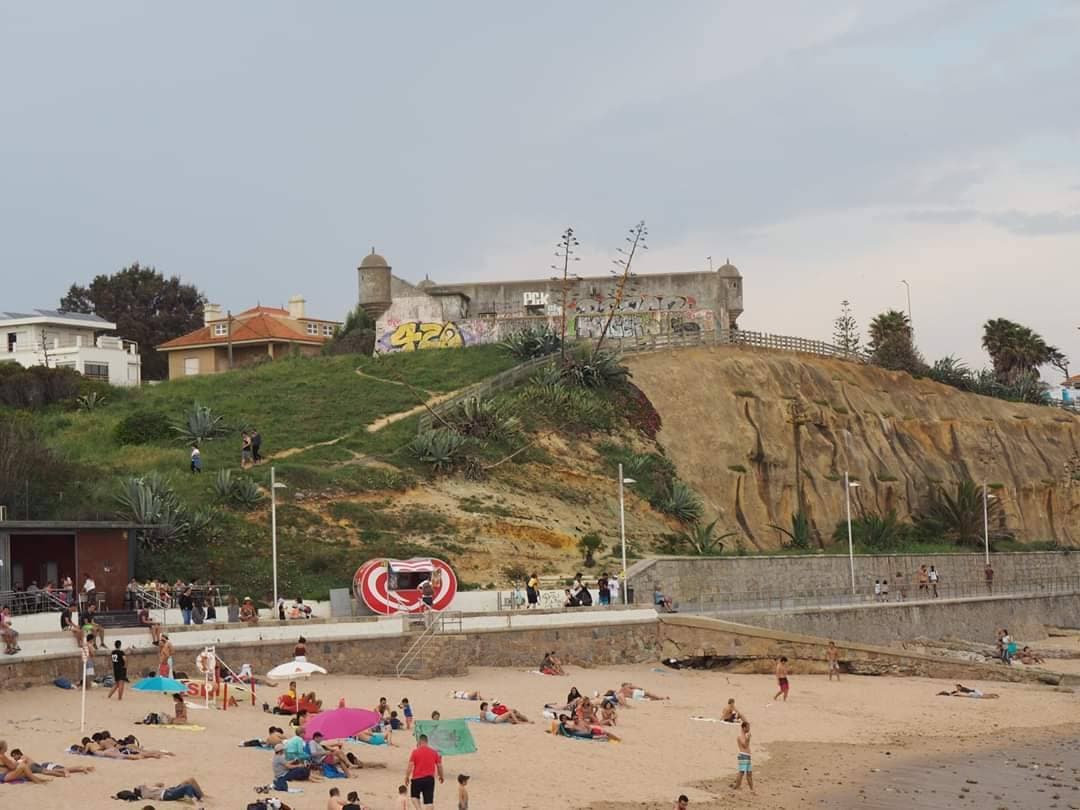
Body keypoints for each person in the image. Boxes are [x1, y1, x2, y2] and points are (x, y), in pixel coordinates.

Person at [405, 734, 444, 809]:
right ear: (427, 741)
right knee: (429, 802)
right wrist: (441, 776)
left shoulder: (415, 752)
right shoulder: (434, 752)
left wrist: (407, 776)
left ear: (419, 741)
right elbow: (439, 766)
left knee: (414, 797)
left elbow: (410, 765)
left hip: (416, 779)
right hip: (429, 779)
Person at [8, 749, 93, 777]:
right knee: (67, 768)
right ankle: (83, 768)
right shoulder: (22, 758)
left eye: (14, 756)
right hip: (44, 765)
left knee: (64, 769)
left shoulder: (23, 757)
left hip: (44, 765)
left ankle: (82, 767)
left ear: (18, 754)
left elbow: (19, 763)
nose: (14, 758)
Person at [134, 778, 206, 802]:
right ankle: (190, 798)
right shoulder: (145, 794)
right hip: (166, 794)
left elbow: (161, 784)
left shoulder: (150, 790)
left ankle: (201, 796)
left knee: (190, 780)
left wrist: (154, 786)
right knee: (188, 786)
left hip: (169, 790)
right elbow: (141, 791)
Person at [731, 721, 754, 792]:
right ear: (744, 728)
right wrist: (748, 739)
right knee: (741, 772)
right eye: (747, 727)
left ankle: (752, 789)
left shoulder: (745, 735)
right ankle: (736, 787)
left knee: (749, 773)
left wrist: (748, 738)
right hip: (743, 755)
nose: (749, 729)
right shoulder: (740, 736)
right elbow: (744, 745)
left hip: (747, 756)